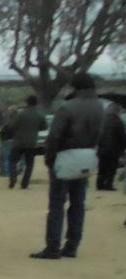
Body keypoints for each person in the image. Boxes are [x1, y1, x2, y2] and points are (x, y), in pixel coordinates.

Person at [31, 72, 103, 259]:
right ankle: (72, 245)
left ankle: (53, 246)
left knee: (57, 203)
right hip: (86, 155)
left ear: (75, 87)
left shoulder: (67, 107)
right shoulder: (99, 106)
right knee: (78, 203)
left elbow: (54, 137)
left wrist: (49, 159)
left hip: (65, 157)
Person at [9, 95, 45, 189]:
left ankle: (13, 178)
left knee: (13, 161)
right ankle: (25, 183)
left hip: (18, 142)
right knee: (29, 164)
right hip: (31, 143)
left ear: (27, 103)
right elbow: (44, 126)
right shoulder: (39, 115)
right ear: (36, 104)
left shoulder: (20, 114)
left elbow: (12, 126)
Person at [96, 102, 124, 191]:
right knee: (111, 168)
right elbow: (122, 136)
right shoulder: (118, 121)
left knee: (102, 167)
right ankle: (108, 184)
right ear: (117, 111)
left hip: (102, 148)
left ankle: (99, 184)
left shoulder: (102, 120)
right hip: (114, 149)